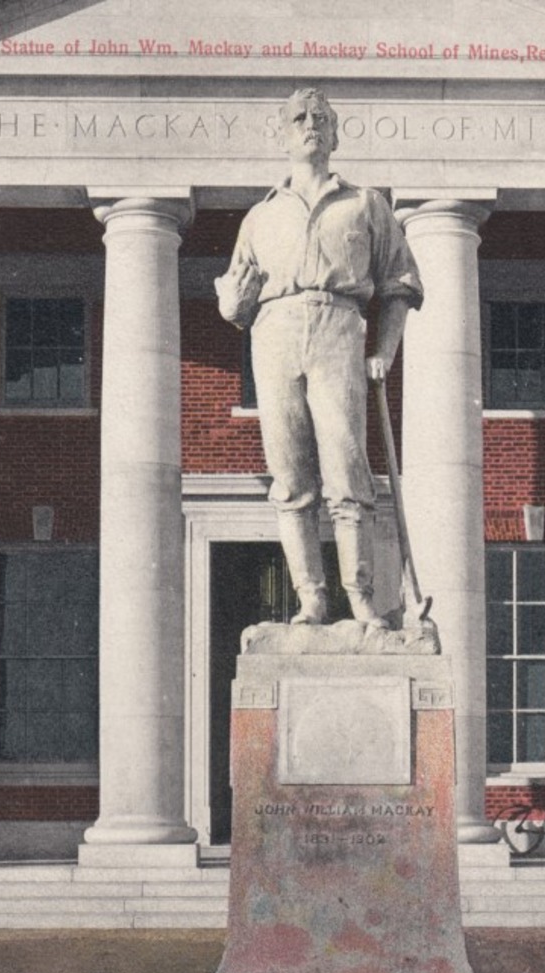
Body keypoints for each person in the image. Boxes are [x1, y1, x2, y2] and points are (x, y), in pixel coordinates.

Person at [215, 88, 423, 627]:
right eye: (300, 118)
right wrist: (232, 301)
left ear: (335, 133)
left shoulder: (365, 204)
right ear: (283, 134)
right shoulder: (260, 216)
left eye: (322, 119)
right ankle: (311, 598)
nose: (311, 125)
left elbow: (400, 284)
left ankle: (361, 598)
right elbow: (234, 303)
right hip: (275, 331)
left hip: (338, 324)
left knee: (348, 469)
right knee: (290, 478)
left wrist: (384, 351)